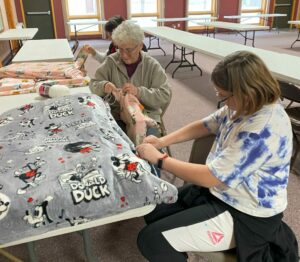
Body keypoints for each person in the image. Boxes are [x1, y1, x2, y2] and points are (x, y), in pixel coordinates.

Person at [136, 51, 299, 261]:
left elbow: (212, 177)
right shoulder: (244, 105)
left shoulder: (263, 128)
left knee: (151, 240)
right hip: (221, 193)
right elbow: (205, 125)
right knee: (153, 207)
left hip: (246, 213)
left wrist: (160, 159)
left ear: (245, 92)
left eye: (223, 95)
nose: (221, 100)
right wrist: (161, 142)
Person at [89, 21, 171, 137]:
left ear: (140, 45)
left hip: (147, 116)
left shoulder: (152, 65)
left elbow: (164, 95)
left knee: (147, 146)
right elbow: (93, 85)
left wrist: (138, 92)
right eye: (120, 49)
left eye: (128, 50)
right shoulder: (111, 61)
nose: (123, 55)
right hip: (117, 115)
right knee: (110, 145)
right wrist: (104, 86)